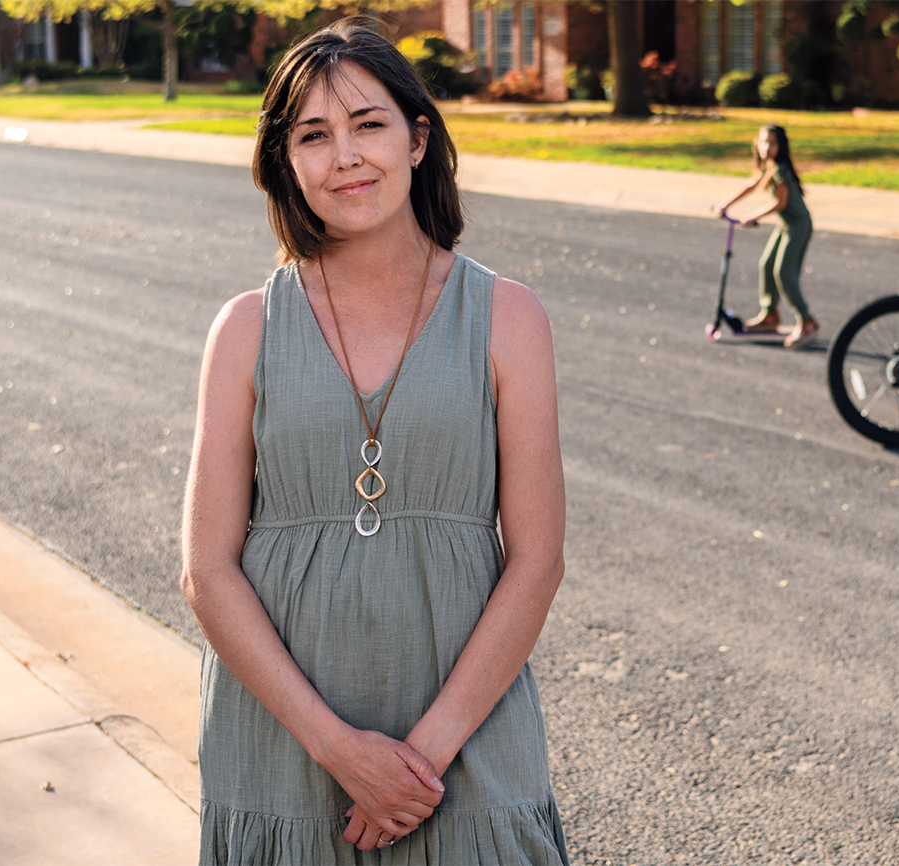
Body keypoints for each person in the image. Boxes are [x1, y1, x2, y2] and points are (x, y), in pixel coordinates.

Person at [180, 18, 569, 865]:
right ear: (285, 162)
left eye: (369, 124)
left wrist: (418, 764)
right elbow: (206, 571)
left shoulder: (508, 318)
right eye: (313, 135)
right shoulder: (245, 329)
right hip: (284, 744)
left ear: (419, 138)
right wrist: (338, 749)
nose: (345, 156)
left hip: (464, 741)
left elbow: (536, 559)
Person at [715, 124, 819, 348]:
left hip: (798, 225)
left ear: (781, 147)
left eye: (772, 143)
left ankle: (807, 320)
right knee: (766, 264)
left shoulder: (781, 169)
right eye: (763, 142)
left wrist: (752, 216)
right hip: (786, 224)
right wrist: (725, 205)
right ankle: (770, 315)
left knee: (784, 273)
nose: (766, 148)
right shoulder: (768, 167)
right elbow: (750, 185)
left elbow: (779, 203)